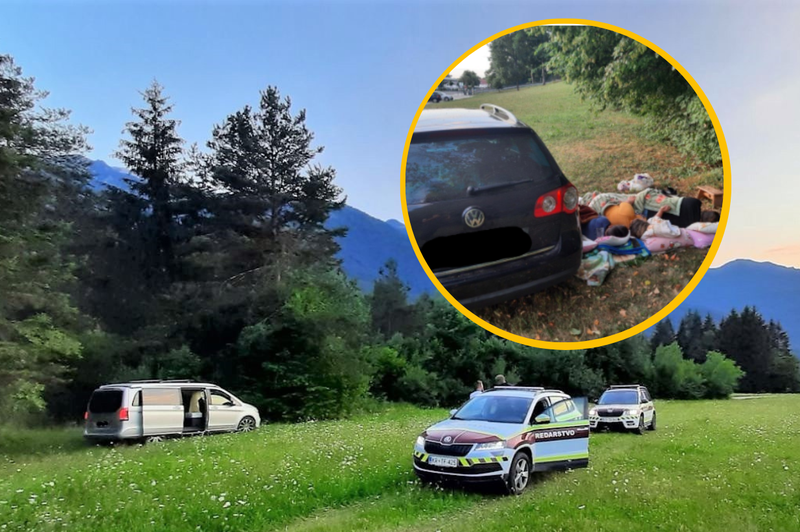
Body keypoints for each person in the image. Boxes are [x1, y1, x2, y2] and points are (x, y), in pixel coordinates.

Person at [629, 205, 705, 253]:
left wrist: (661, 211)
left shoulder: (645, 238)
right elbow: (655, 219)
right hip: (685, 232)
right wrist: (661, 210)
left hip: (687, 241)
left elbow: (654, 219)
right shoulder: (654, 224)